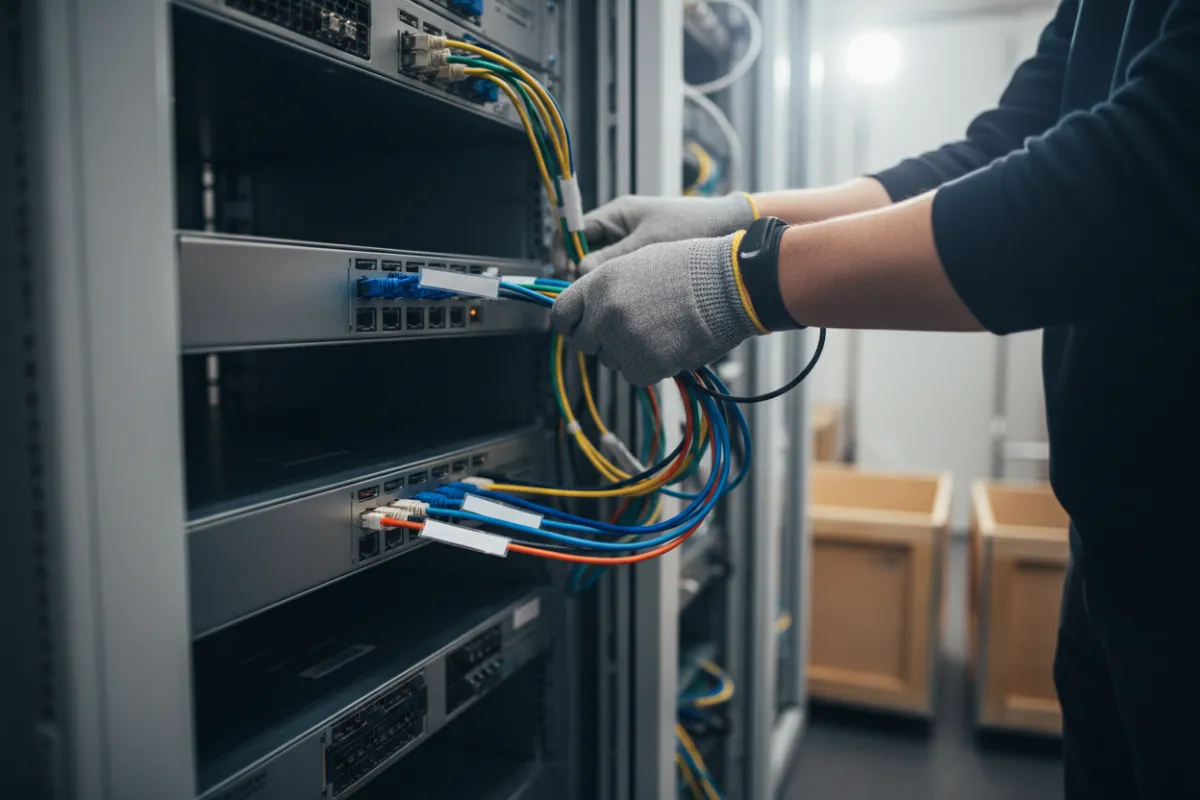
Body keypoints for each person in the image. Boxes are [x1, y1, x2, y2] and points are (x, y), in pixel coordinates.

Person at [550, 1, 1199, 798]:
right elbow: (998, 153)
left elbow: (1147, 173)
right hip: (1113, 548)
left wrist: (745, 281)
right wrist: (744, 217)